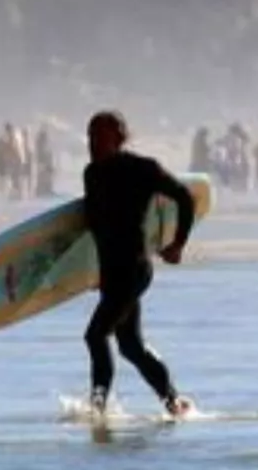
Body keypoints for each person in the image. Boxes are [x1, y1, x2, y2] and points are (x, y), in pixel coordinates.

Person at [82, 110, 196, 420]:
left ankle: (98, 410)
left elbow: (184, 197)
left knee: (95, 335)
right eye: (90, 135)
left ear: (119, 138)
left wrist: (178, 244)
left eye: (100, 136)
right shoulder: (91, 174)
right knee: (130, 346)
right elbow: (96, 227)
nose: (92, 142)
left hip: (133, 269)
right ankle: (174, 404)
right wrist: (92, 272)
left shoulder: (140, 169)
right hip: (111, 273)